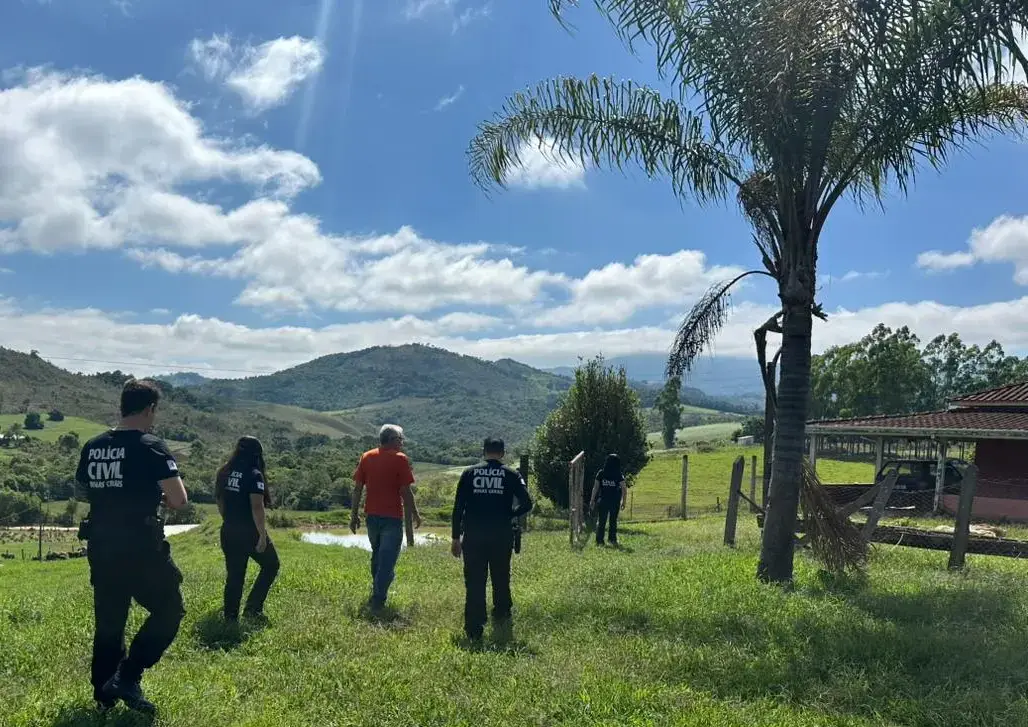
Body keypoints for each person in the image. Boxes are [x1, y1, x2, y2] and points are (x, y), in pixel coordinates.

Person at [74, 378, 189, 715]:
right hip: (141, 547)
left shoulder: (93, 446)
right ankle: (128, 675)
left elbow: (82, 492)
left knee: (110, 621)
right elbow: (180, 500)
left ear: (122, 405)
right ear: (150, 409)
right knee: (169, 609)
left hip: (101, 545)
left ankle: (104, 699)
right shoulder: (152, 446)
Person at [450, 437, 533, 643]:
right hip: (501, 534)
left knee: (475, 581)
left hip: (474, 535)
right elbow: (527, 503)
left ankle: (474, 627)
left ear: (483, 451)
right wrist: (510, 514)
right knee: (501, 575)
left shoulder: (469, 473)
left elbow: (458, 508)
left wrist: (454, 537)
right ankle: (502, 614)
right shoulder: (512, 474)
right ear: (503, 453)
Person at [350, 424, 422, 611]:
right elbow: (406, 491)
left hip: (371, 517)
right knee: (387, 559)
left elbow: (358, 489)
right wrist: (415, 512)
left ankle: (378, 589)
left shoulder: (367, 457)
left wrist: (353, 515)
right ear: (391, 440)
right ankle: (378, 599)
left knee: (378, 555)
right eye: (400, 439)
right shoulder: (400, 459)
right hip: (391, 517)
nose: (402, 442)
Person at [215, 436, 280, 623]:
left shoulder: (224, 472)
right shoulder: (254, 474)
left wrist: (228, 521)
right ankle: (252, 608)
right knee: (271, 565)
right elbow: (257, 507)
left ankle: (230, 618)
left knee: (235, 575)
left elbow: (220, 501)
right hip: (249, 531)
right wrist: (261, 535)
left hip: (228, 529)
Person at [590, 453, 628, 547]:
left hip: (603, 500)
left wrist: (592, 500)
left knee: (601, 521)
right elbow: (624, 488)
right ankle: (612, 539)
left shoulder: (601, 473)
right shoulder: (618, 474)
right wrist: (624, 501)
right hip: (614, 502)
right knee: (613, 521)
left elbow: (595, 487)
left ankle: (599, 541)